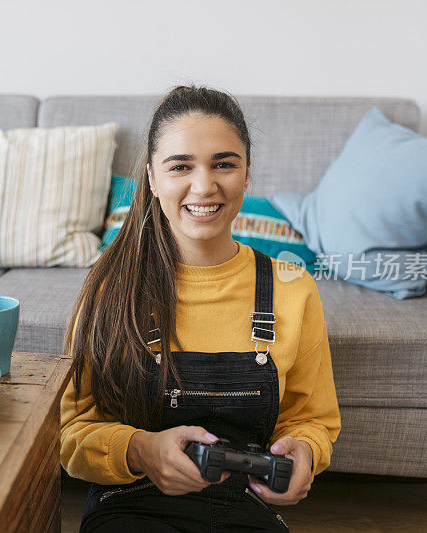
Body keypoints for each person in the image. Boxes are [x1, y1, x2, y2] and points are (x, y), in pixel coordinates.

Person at [60, 85, 341, 532]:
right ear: (152, 178)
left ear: (247, 174)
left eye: (224, 164)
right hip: (129, 504)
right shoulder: (108, 289)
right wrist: (141, 451)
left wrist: (305, 453)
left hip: (246, 508)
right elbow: (71, 431)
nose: (204, 185)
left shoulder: (294, 289)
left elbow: (310, 419)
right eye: (181, 167)